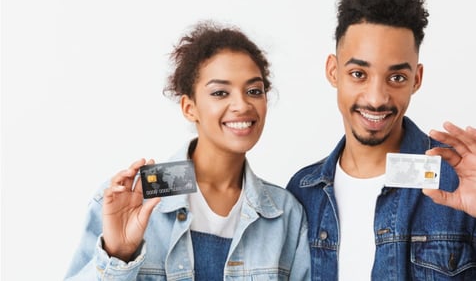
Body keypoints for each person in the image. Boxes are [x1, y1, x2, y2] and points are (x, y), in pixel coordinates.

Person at [286, 0, 476, 280]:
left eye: (396, 77)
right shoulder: (302, 194)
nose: (377, 97)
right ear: (333, 71)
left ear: (416, 79)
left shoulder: (463, 184)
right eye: (358, 74)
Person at [65, 21, 310, 280]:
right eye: (220, 92)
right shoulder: (133, 197)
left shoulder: (284, 214)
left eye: (253, 91)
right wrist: (119, 255)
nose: (241, 104)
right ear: (188, 107)